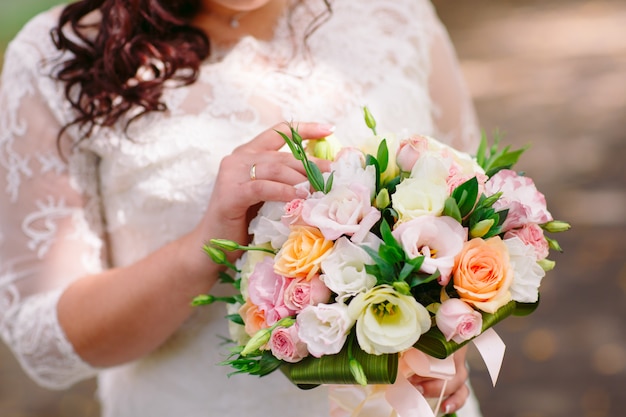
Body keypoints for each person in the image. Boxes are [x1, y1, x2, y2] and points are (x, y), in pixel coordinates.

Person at [0, 0, 484, 416]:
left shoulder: (396, 13)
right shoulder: (55, 58)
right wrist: (205, 247)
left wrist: (443, 327)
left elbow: (475, 210)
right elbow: (46, 341)